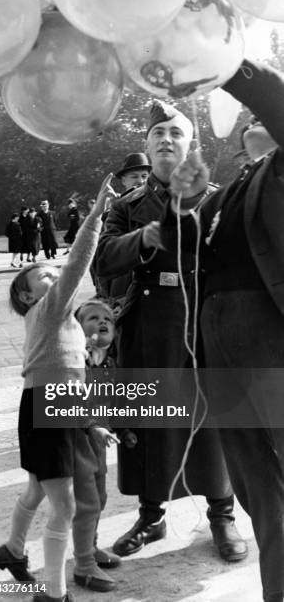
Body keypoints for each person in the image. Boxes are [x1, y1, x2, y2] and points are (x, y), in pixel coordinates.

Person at [96, 101, 247, 562]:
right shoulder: (125, 207)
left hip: (205, 326)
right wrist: (141, 239)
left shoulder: (219, 197)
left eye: (176, 133)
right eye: (157, 132)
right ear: (146, 145)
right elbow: (101, 262)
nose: (166, 139)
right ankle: (152, 515)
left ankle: (222, 515)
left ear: (190, 145)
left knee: (212, 422)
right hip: (148, 328)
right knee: (153, 423)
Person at [160, 58, 284, 602]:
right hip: (220, 347)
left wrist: (222, 63)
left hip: (270, 337)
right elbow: (177, 252)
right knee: (261, 493)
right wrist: (183, 202)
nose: (250, 119)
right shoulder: (236, 185)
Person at [0, 176, 116, 602]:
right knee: (63, 506)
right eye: (43, 275)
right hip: (49, 405)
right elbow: (79, 259)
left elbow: (70, 376)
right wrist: (97, 213)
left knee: (36, 489)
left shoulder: (55, 321)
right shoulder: (48, 310)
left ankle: (11, 550)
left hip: (45, 403)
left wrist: (89, 422)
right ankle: (53, 592)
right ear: (27, 297)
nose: (54, 274)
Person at [74, 298, 121, 590]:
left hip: (98, 444)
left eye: (108, 319)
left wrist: (121, 428)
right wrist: (95, 427)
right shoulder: (75, 362)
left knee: (99, 497)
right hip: (77, 442)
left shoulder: (111, 364)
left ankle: (90, 547)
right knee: (87, 503)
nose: (102, 322)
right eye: (92, 318)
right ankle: (83, 567)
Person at [95, 153, 151, 303]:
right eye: (134, 176)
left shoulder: (159, 205)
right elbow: (101, 258)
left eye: (145, 176)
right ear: (123, 180)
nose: (140, 181)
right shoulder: (114, 210)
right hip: (121, 287)